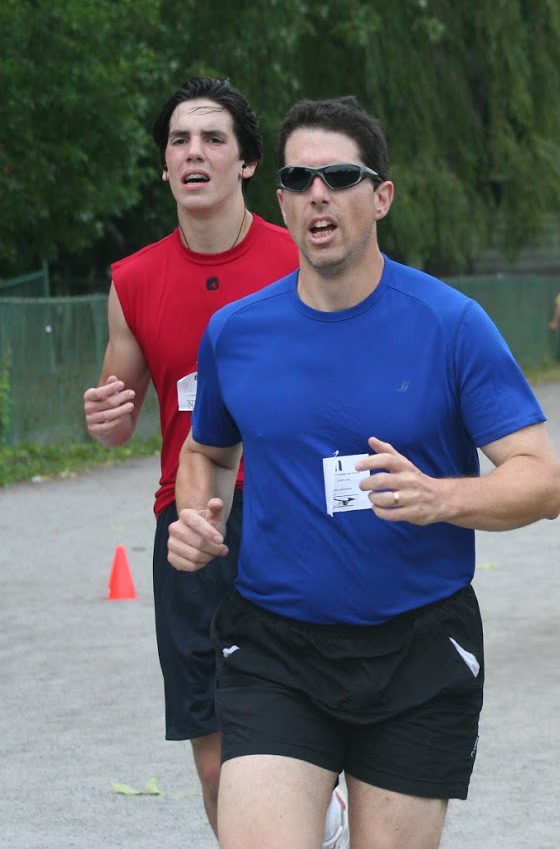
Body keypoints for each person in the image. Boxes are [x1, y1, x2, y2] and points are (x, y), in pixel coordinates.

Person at [166, 95, 560, 849]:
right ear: (281, 201)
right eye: (299, 179)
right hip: (276, 645)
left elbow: (542, 480)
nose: (318, 194)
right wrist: (198, 513)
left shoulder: (449, 324)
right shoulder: (237, 334)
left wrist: (442, 496)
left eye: (340, 176)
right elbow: (208, 453)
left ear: (380, 197)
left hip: (418, 649)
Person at [80, 77, 349, 846]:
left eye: (213, 139)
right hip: (193, 529)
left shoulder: (300, 256)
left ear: (249, 164)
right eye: (178, 141)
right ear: (165, 168)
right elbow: (117, 418)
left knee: (316, 744)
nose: (193, 152)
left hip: (301, 520)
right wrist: (105, 419)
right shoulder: (131, 282)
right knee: (217, 767)